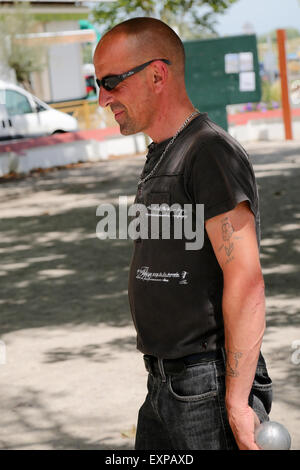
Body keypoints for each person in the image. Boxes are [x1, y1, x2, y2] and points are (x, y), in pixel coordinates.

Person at [93, 17, 272, 450]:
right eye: (97, 84)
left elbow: (246, 281)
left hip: (204, 388)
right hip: (164, 384)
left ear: (157, 75)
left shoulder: (208, 153)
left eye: (112, 82)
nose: (103, 99)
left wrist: (236, 403)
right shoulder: (164, 152)